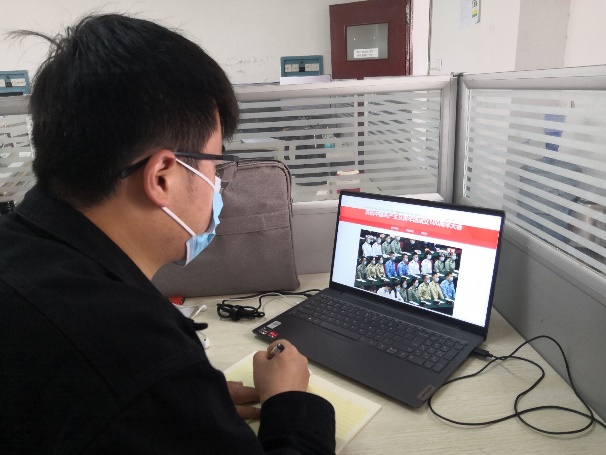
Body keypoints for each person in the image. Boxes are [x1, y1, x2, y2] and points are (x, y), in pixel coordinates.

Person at [0, 14, 335, 454]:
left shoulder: (19, 249)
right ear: (162, 177)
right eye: (216, 165)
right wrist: (288, 403)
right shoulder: (136, 354)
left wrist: (185, 411)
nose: (217, 184)